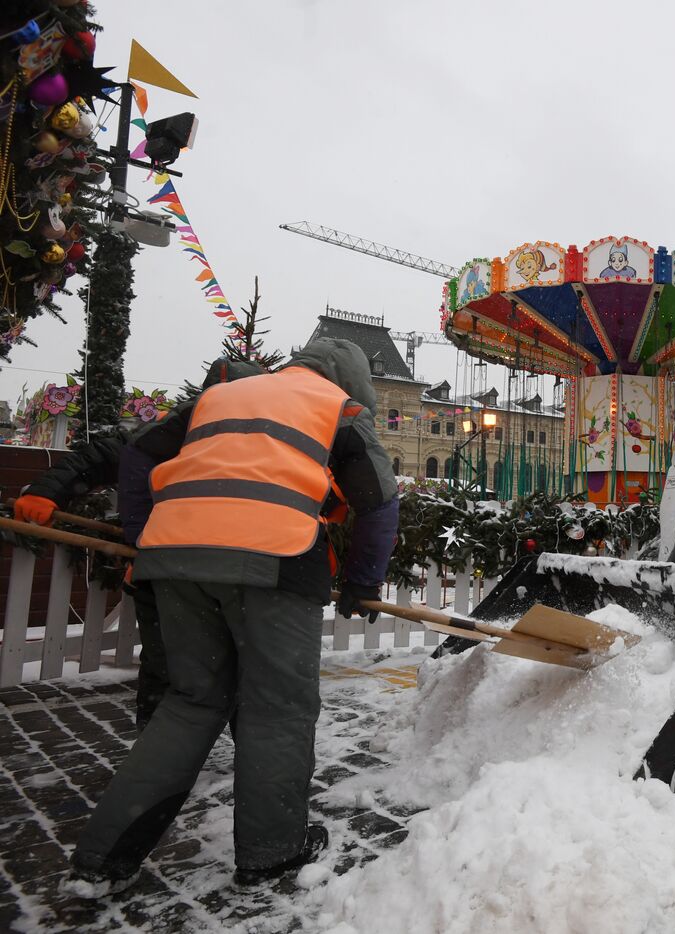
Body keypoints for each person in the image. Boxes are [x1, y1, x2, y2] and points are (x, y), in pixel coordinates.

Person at [67, 339, 399, 896]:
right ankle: (272, 854)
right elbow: (380, 500)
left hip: (173, 555)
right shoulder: (340, 409)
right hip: (273, 558)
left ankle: (104, 857)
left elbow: (139, 453)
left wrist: (143, 532)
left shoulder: (220, 395)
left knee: (189, 701)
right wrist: (362, 583)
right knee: (278, 708)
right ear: (351, 381)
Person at [12, 358, 263, 732]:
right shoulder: (176, 428)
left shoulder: (267, 441)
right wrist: (50, 491)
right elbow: (104, 455)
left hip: (241, 570)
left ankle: (248, 755)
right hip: (171, 566)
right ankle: (159, 749)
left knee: (245, 665)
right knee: (171, 664)